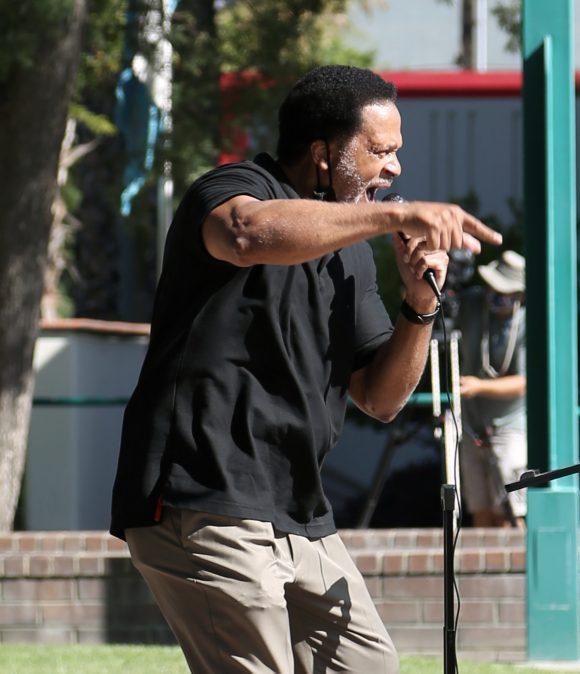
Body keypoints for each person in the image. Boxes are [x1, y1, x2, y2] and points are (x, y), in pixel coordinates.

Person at [108, 65, 501, 673]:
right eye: (379, 151)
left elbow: (380, 397)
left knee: (369, 665)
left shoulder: (352, 257)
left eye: (397, 152)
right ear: (323, 154)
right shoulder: (232, 190)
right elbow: (247, 235)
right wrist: (396, 217)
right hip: (202, 494)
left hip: (298, 512)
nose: (395, 168)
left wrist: (419, 306)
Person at [455, 250, 527, 526]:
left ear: (519, 295)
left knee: (512, 511)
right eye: (491, 287)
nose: (494, 295)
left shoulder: (526, 323)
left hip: (510, 427)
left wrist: (479, 387)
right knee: (481, 509)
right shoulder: (473, 303)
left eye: (503, 290)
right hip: (472, 424)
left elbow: (523, 383)